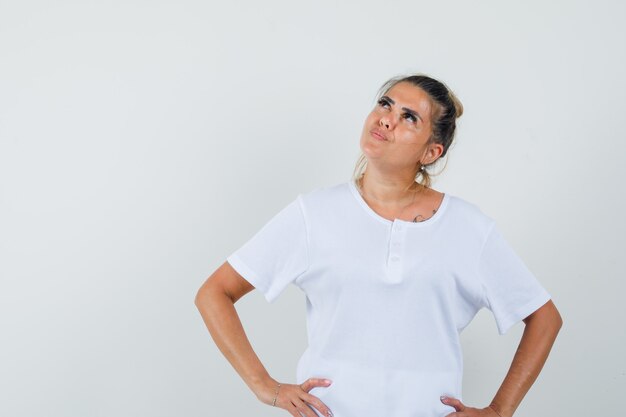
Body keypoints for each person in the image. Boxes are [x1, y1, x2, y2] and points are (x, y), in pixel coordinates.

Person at [194, 73, 563, 417]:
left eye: (409, 117)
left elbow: (544, 317)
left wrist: (499, 411)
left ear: (431, 153)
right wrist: (265, 386)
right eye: (385, 104)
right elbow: (215, 293)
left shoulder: (468, 228)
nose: (387, 118)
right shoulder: (314, 214)